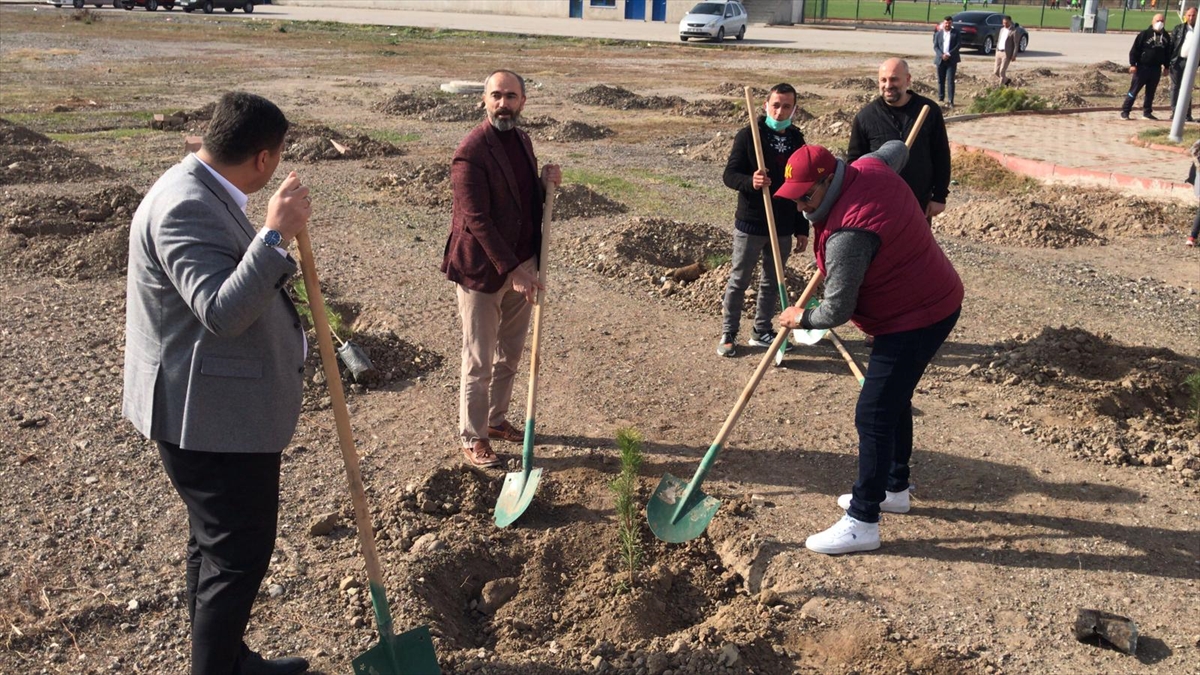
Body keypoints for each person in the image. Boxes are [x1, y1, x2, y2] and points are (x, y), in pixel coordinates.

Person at [123, 91, 312, 675]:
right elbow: (221, 312)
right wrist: (274, 236)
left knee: (213, 548)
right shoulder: (184, 205)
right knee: (237, 555)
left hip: (216, 409)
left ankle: (228, 657)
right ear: (263, 158)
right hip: (207, 417)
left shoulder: (202, 185)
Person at [773, 143, 963, 555]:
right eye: (795, 197)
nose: (802, 205)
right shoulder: (869, 166)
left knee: (874, 412)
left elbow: (837, 309)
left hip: (917, 315)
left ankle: (863, 522)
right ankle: (894, 488)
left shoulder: (848, 235)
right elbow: (897, 148)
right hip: (927, 296)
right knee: (893, 399)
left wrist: (798, 319)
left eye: (807, 195)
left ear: (830, 179)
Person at [442, 69, 562, 468]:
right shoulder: (471, 151)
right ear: (483, 99)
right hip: (482, 271)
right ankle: (473, 436)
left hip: (522, 264)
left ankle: (495, 421)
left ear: (523, 102)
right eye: (496, 95)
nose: (503, 104)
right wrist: (515, 271)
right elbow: (476, 219)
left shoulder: (522, 140)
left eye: (511, 96)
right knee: (478, 359)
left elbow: (525, 202)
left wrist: (547, 185)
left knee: (509, 354)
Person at [717, 83, 809, 357]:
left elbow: (803, 186)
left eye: (787, 106)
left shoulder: (797, 140)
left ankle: (762, 330)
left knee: (773, 280)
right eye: (776, 105)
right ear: (766, 106)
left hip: (782, 223)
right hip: (752, 222)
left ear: (795, 109)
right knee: (740, 278)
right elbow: (729, 175)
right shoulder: (749, 136)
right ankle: (729, 332)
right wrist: (751, 181)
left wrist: (801, 227)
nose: (780, 111)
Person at [847, 58, 952, 222]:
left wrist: (939, 196)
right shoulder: (865, 117)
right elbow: (854, 163)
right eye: (883, 80)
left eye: (894, 79)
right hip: (879, 205)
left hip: (918, 203)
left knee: (915, 247)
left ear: (908, 79)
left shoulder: (928, 111)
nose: (888, 85)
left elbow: (941, 155)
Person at [1121, 13, 1173, 120]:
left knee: (1151, 92)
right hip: (1142, 68)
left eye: (1162, 21)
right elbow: (1135, 50)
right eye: (1157, 21)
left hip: (1156, 69)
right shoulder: (1144, 34)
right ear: (1152, 22)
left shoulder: (1166, 36)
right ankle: (1125, 111)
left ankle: (1147, 112)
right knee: (1134, 90)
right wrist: (1132, 64)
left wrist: (1167, 67)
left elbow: (1168, 53)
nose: (1160, 23)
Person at [1169, 7, 1197, 122]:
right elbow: (1171, 46)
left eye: (1193, 15)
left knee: (1187, 88)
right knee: (1175, 87)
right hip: (1178, 61)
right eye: (1189, 15)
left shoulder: (1198, 30)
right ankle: (1175, 112)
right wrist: (1167, 62)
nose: (1191, 18)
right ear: (1185, 15)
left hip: (1192, 63)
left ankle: (1187, 114)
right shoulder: (1179, 29)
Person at [933, 16, 962, 108]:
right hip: (940, 60)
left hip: (951, 60)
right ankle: (941, 98)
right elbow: (936, 46)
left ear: (951, 23)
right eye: (946, 23)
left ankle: (950, 100)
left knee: (950, 80)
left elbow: (958, 45)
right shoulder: (938, 34)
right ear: (943, 23)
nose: (947, 25)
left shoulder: (956, 33)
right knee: (941, 80)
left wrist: (949, 54)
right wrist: (942, 55)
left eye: (949, 23)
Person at [994, 16, 1018, 87]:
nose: (1005, 24)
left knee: (1002, 71)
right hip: (999, 52)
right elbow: (999, 40)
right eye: (1003, 23)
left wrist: (1014, 55)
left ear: (1010, 22)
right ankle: (1007, 80)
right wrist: (996, 51)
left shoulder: (1014, 31)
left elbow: (1016, 44)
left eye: (1006, 23)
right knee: (996, 72)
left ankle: (1000, 87)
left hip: (1006, 53)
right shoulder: (1002, 30)